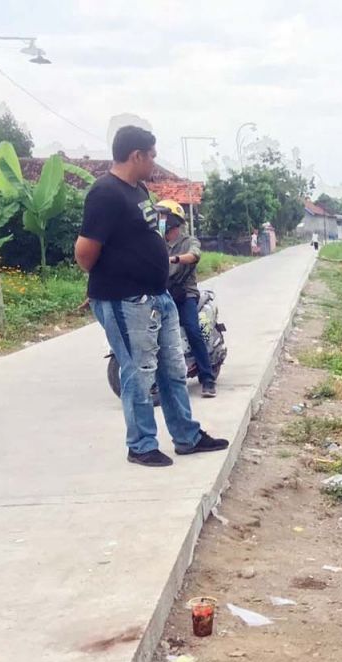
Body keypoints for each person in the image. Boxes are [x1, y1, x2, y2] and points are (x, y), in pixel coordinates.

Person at [74, 125, 228, 468]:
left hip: (158, 297)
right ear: (136, 155)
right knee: (138, 373)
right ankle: (141, 445)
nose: (155, 162)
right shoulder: (105, 193)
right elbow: (85, 252)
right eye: (153, 155)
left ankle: (186, 436)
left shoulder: (138, 189)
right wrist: (118, 277)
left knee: (172, 370)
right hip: (125, 300)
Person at [157, 200, 216, 398]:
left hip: (185, 294)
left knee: (192, 329)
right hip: (161, 293)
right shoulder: (157, 242)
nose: (160, 221)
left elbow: (194, 255)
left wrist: (175, 259)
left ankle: (207, 379)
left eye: (163, 217)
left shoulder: (189, 241)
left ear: (174, 220)